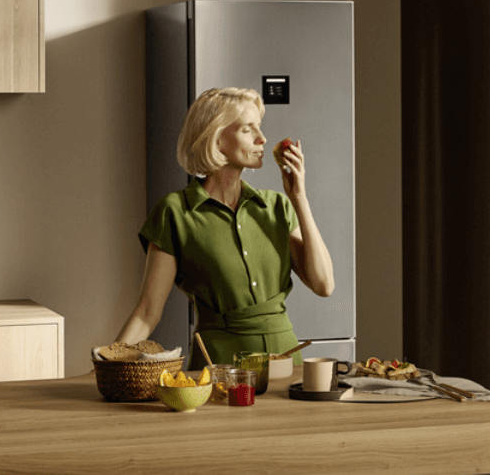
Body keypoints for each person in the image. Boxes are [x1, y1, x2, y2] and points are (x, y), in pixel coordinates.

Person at [115, 87, 334, 369]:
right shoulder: (175, 212)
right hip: (219, 366)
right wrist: (110, 363)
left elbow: (324, 284)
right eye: (247, 129)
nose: (262, 138)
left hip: (285, 364)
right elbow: (147, 312)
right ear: (217, 140)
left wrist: (299, 198)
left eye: (260, 126)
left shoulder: (276, 206)